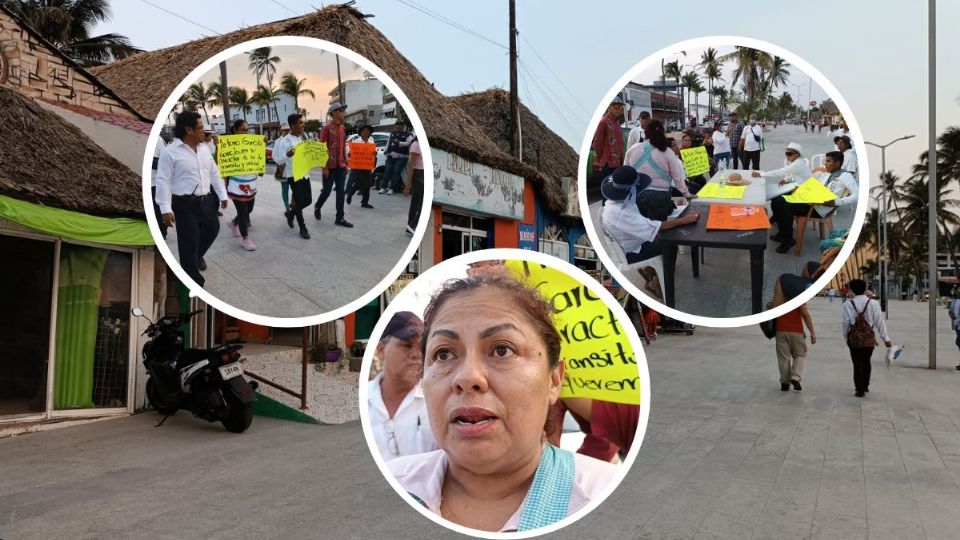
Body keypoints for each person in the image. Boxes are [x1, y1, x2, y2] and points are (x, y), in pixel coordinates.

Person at [387, 276, 619, 533]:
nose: (467, 377)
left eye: (502, 350)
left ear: (554, 380)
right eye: (444, 354)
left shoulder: (603, 495)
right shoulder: (392, 483)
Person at [155, 111, 229, 286]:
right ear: (189, 130)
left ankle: (195, 257)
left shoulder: (204, 150)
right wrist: (165, 209)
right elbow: (163, 180)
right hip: (184, 205)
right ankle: (194, 281)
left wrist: (222, 194)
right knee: (188, 242)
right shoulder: (171, 152)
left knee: (213, 229)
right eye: (201, 128)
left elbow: (214, 172)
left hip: (207, 201)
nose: (204, 131)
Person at [601, 167, 698, 299]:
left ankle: (648, 270)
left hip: (626, 242)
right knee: (670, 245)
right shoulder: (621, 212)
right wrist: (684, 220)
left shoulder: (612, 203)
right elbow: (657, 227)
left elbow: (645, 224)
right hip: (630, 251)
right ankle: (655, 284)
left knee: (659, 237)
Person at [368, 311, 438, 460]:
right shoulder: (365, 399)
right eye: (406, 345)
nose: (416, 354)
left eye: (421, 347)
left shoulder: (436, 401)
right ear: (381, 350)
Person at [769, 151, 858, 253]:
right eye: (825, 161)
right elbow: (814, 185)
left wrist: (837, 202)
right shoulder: (827, 174)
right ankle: (782, 234)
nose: (825, 164)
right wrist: (803, 188)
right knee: (777, 199)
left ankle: (788, 239)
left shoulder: (845, 176)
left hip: (819, 209)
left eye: (828, 161)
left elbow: (857, 195)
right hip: (811, 202)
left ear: (837, 163)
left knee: (786, 206)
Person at [624, 119, 695, 220]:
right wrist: (686, 194)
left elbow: (625, 173)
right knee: (658, 229)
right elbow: (677, 177)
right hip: (660, 196)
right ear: (662, 133)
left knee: (641, 228)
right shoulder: (667, 152)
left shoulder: (633, 149)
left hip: (637, 195)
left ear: (645, 133)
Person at [841, 279, 892, 397]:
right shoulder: (873, 303)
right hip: (869, 338)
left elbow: (845, 323)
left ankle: (859, 389)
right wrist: (885, 338)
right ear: (865, 289)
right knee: (866, 361)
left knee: (857, 363)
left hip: (854, 339)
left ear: (851, 289)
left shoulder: (847, 305)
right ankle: (865, 385)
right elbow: (879, 321)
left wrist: (846, 337)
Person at [315, 103, 354, 228]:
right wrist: (324, 167)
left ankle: (340, 218)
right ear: (334, 113)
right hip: (329, 166)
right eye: (341, 110)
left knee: (341, 193)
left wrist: (346, 164)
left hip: (341, 166)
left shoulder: (342, 129)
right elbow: (322, 148)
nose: (344, 112)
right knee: (326, 191)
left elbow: (343, 147)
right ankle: (318, 206)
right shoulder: (326, 129)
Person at [274, 113, 312, 239]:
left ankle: (291, 214)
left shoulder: (303, 138)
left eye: (302, 123)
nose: (303, 125)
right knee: (299, 201)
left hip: (304, 174)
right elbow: (279, 160)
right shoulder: (285, 141)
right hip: (293, 175)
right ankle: (302, 228)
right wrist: (288, 155)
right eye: (300, 123)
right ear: (293, 125)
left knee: (308, 200)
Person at [224, 119, 260, 251]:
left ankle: (234, 223)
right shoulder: (227, 145)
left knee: (249, 209)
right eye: (243, 130)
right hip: (235, 182)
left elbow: (257, 160)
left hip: (250, 181)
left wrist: (260, 167)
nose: (246, 132)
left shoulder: (252, 143)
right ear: (235, 130)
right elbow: (219, 162)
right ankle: (245, 239)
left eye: (247, 130)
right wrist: (219, 148)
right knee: (243, 212)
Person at [775, 302, 816, 391]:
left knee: (783, 357)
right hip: (796, 330)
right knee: (800, 354)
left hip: (780, 330)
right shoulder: (797, 295)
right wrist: (812, 332)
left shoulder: (779, 295)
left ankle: (785, 383)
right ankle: (795, 377)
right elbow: (805, 315)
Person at [589, 96, 626, 188]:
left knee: (616, 188)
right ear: (609, 107)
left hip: (618, 162)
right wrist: (603, 158)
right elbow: (597, 143)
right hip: (607, 164)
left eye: (620, 107)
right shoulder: (603, 122)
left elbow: (620, 142)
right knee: (607, 188)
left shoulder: (617, 122)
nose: (618, 110)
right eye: (616, 107)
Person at [345, 124, 376, 209]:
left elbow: (373, 150)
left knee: (367, 184)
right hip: (358, 166)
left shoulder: (371, 140)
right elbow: (350, 153)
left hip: (367, 166)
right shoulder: (356, 141)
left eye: (368, 131)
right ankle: (350, 194)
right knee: (358, 184)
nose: (367, 132)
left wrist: (374, 153)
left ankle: (365, 202)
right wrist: (350, 154)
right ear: (361, 132)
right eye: (365, 130)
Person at [382, 122, 413, 193]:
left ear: (403, 127)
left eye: (399, 127)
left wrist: (399, 143)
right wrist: (386, 150)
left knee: (396, 172)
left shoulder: (408, 135)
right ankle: (383, 187)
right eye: (396, 127)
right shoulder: (392, 133)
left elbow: (409, 143)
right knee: (387, 171)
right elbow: (388, 143)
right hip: (390, 155)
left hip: (401, 157)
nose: (398, 128)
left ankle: (392, 188)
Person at [404, 135, 424, 237]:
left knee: (416, 202)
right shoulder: (416, 145)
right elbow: (411, 166)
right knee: (421, 203)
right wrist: (408, 186)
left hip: (422, 174)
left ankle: (410, 226)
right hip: (419, 174)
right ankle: (413, 225)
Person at [151, 136, 168, 239]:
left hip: (156, 183)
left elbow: (163, 160)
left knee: (158, 211)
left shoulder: (157, 140)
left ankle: (162, 233)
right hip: (152, 183)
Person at [277, 122, 291, 210]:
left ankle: (293, 205)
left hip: (292, 168)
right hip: (282, 168)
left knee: (296, 189)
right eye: (285, 130)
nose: (286, 132)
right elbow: (276, 156)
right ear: (281, 131)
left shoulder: (292, 139)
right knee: (285, 189)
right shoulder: (278, 141)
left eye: (288, 130)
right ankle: (287, 208)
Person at [948, 291, 960, 369]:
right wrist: (951, 315)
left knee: (958, 342)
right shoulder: (955, 301)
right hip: (957, 325)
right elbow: (950, 311)